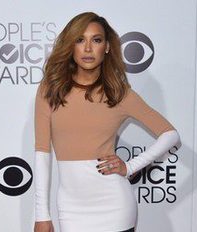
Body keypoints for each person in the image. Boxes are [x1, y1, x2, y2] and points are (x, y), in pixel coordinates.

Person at [32, 12, 180, 232]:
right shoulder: (50, 89)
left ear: (107, 47)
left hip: (115, 208)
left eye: (97, 40)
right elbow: (42, 153)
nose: (88, 48)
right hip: (72, 209)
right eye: (80, 40)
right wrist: (42, 214)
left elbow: (170, 134)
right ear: (70, 46)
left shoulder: (118, 93)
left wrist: (130, 167)